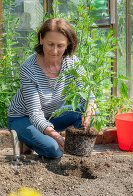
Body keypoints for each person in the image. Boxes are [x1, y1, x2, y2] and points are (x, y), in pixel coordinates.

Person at [7, 18, 96, 159]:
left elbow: (88, 96)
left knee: (86, 112)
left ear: (68, 45)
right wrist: (56, 137)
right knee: (54, 150)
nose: (54, 51)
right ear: (41, 39)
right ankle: (30, 141)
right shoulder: (29, 68)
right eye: (50, 44)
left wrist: (90, 109)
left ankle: (40, 140)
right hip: (24, 118)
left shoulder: (73, 63)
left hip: (52, 115)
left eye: (60, 45)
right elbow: (35, 114)